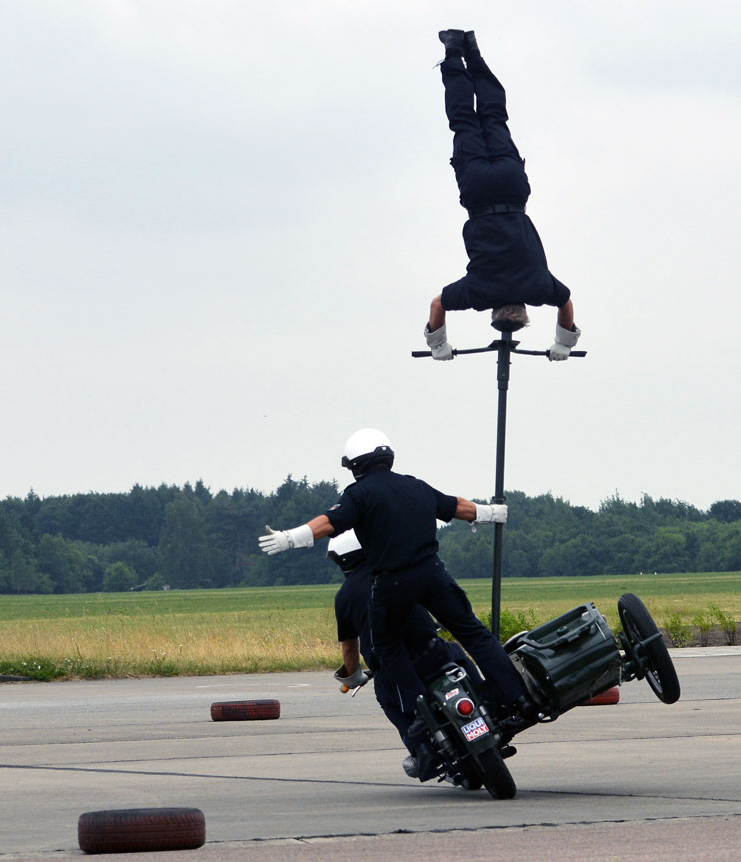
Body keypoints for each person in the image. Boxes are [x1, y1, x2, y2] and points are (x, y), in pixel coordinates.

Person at [258, 428, 537, 765]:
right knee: (474, 633)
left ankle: (420, 714)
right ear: (388, 457)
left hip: (393, 583)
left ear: (356, 465)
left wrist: (291, 537)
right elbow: (456, 506)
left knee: (388, 648)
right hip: (433, 574)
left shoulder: (359, 494)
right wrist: (490, 513)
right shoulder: (415, 486)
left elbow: (329, 522)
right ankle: (519, 698)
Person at [424, 29, 580, 362]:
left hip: (512, 189)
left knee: (495, 118)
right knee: (464, 121)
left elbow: (566, 303)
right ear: (493, 311)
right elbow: (438, 304)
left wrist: (564, 342)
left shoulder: (539, 287)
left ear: (524, 309)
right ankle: (454, 51)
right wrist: (437, 345)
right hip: (479, 193)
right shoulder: (478, 294)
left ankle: (474, 52)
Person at [327, 528, 483, 780]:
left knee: (387, 698)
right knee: (457, 653)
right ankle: (487, 700)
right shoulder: (399, 571)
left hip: (394, 671)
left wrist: (353, 676)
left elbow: (349, 647)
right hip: (432, 652)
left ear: (343, 561)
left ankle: (421, 749)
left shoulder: (344, 597)